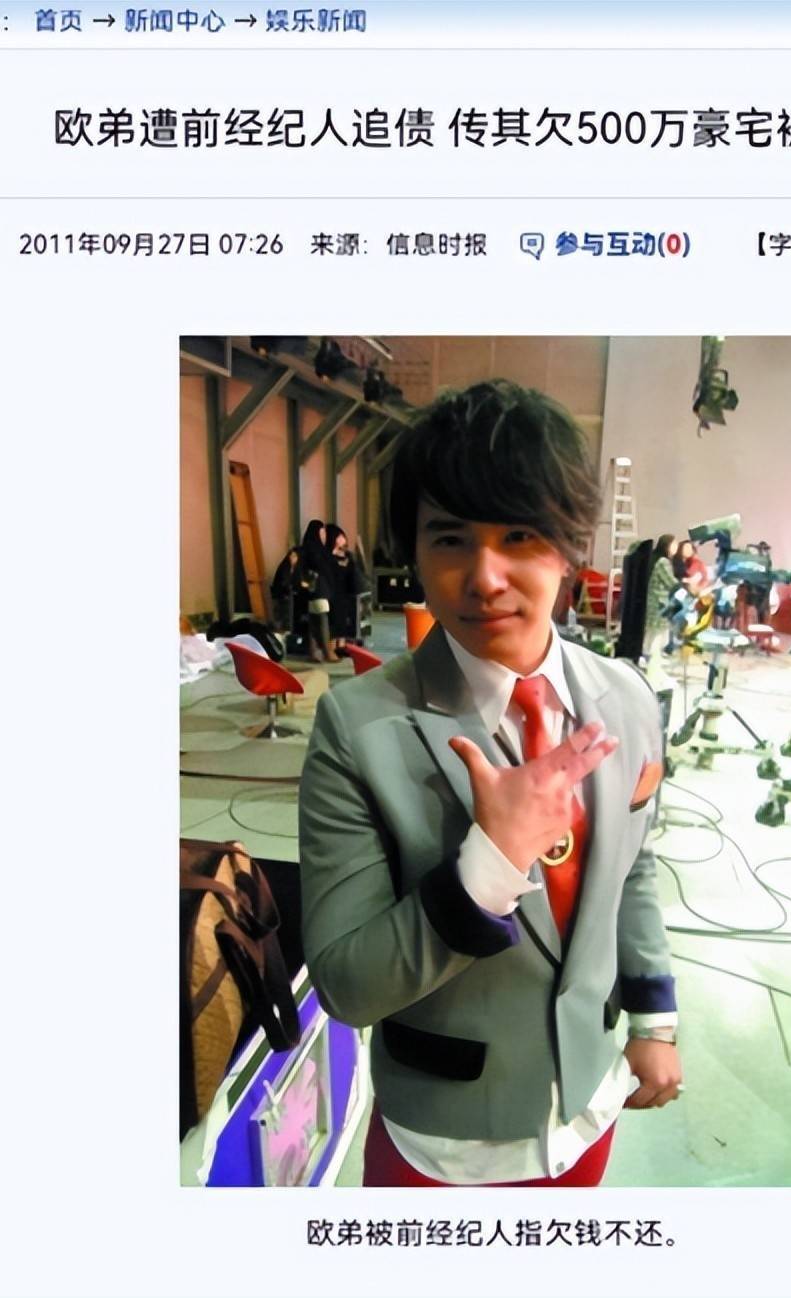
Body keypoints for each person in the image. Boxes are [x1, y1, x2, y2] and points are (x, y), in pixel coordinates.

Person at [299, 380, 681, 1189]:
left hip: (588, 1110)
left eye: (519, 535)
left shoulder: (627, 699)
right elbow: (346, 985)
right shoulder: (358, 728)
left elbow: (634, 870)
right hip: (446, 1144)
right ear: (413, 551)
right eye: (450, 539)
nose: (485, 577)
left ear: (569, 545)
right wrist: (490, 865)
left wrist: (654, 1015)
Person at [300, 519, 338, 663]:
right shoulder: (315, 550)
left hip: (313, 590)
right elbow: (322, 567)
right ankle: (328, 652)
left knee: (314, 621)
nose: (324, 536)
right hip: (319, 590)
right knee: (322, 619)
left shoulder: (309, 548)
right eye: (322, 533)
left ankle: (314, 651)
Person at [643, 533, 679, 672]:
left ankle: (653, 657)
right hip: (659, 602)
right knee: (656, 634)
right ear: (667, 545)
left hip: (656, 601)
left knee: (655, 633)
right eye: (674, 544)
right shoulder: (663, 562)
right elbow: (670, 582)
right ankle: (651, 658)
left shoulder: (657, 559)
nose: (676, 547)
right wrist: (686, 586)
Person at [324, 523, 359, 652]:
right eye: (339, 537)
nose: (342, 539)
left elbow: (352, 575)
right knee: (335, 613)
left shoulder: (347, 556)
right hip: (331, 591)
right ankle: (333, 646)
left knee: (344, 612)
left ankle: (342, 644)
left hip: (345, 591)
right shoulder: (327, 556)